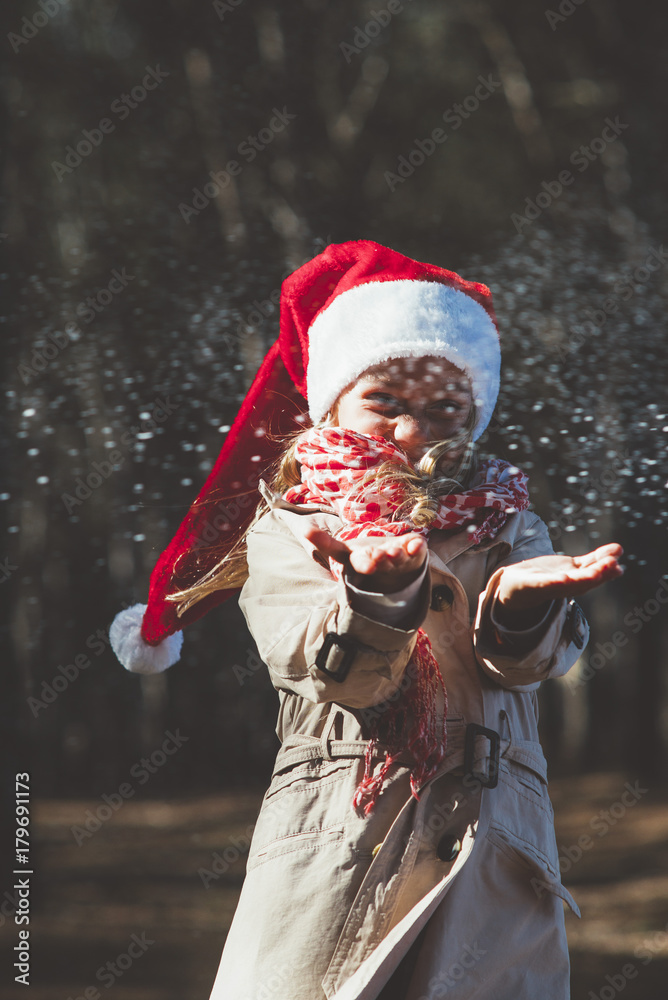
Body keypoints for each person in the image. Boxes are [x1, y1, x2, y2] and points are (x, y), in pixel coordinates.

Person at [110, 240, 623, 1000]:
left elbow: (528, 665)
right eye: (385, 402)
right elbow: (338, 675)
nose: (414, 432)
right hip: (344, 841)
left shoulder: (511, 523)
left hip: (497, 845)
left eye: (444, 409)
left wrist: (523, 608)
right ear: (333, 399)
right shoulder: (295, 526)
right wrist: (378, 595)